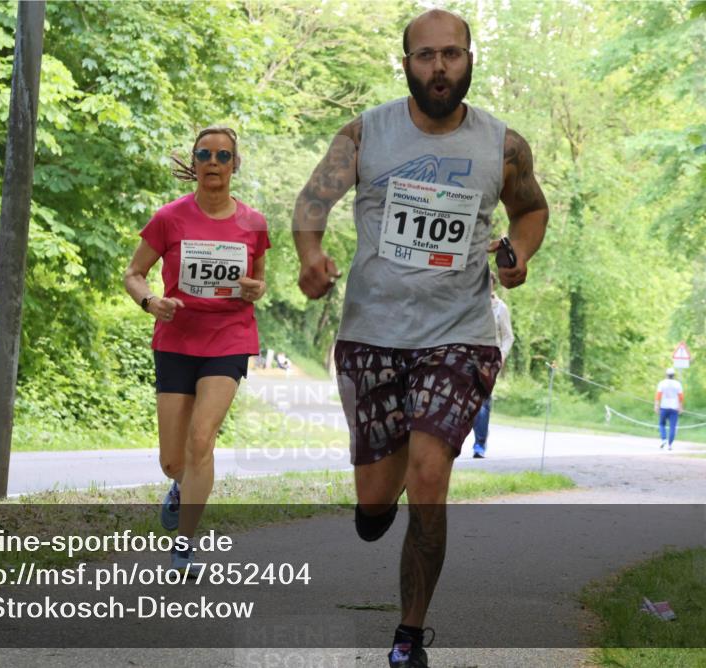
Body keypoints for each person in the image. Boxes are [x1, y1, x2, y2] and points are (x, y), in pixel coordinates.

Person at [292, 9, 548, 667]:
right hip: (372, 335)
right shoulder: (364, 134)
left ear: (470, 59)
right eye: (426, 55)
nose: (440, 68)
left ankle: (409, 635)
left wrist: (516, 255)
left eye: (452, 55)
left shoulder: (503, 146)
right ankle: (376, 503)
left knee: (430, 475)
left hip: (460, 333)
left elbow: (531, 209)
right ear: (405, 62)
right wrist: (311, 256)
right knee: (377, 499)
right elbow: (311, 204)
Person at [123, 126, 270, 574]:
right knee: (172, 458)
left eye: (223, 156)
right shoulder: (168, 217)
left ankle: (185, 545)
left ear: (234, 165)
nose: (213, 162)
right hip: (177, 337)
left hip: (229, 336)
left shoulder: (253, 222)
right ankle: (178, 486)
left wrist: (253, 289)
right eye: (205, 154)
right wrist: (151, 301)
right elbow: (134, 273)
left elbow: (259, 282)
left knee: (202, 438)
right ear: (194, 162)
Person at [471, 271, 514, 458]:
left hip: (490, 360)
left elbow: (508, 337)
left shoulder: (500, 308)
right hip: (470, 358)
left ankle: (479, 444)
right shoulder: (470, 305)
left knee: (483, 403)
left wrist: (502, 357)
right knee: (469, 402)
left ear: (493, 285)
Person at [655, 368, 684, 450]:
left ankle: (663, 439)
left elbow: (658, 395)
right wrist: (681, 406)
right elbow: (681, 397)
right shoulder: (678, 384)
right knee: (672, 426)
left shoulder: (662, 383)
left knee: (662, 424)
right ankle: (670, 444)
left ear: (666, 374)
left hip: (664, 406)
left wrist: (656, 405)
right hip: (674, 407)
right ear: (674, 375)